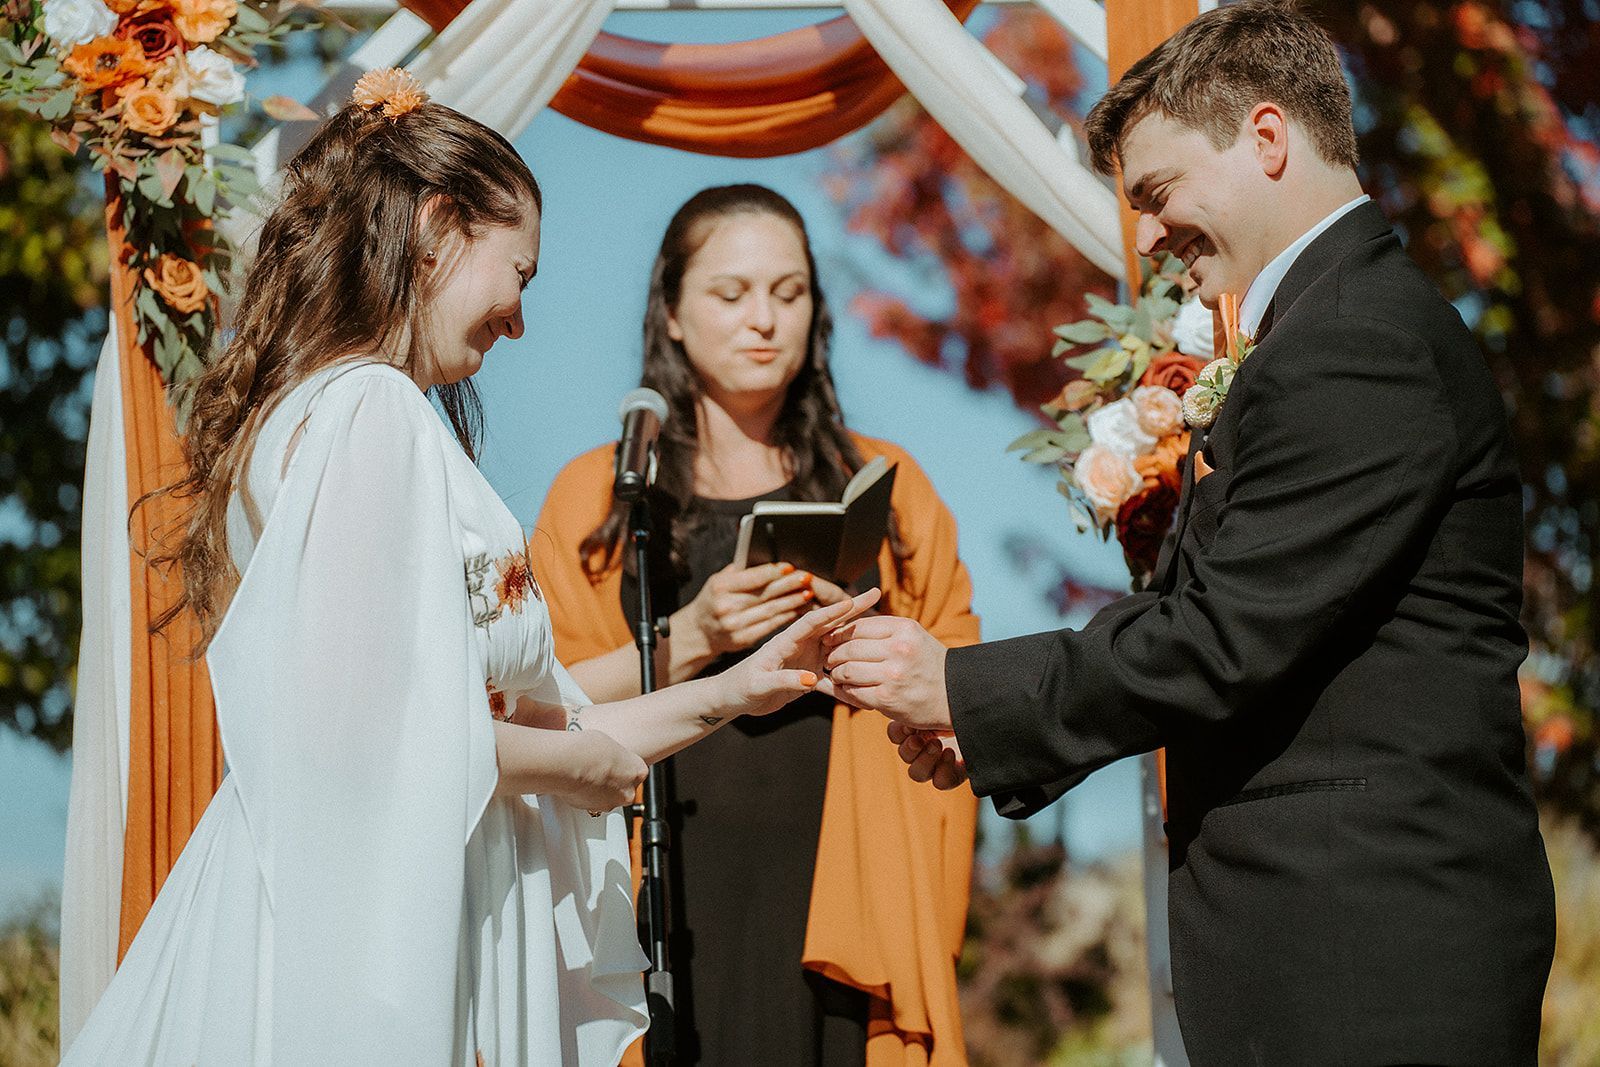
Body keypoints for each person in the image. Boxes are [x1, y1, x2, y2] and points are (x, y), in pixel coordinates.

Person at [61, 74, 875, 1066]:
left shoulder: (325, 413)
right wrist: (578, 768)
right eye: (518, 272)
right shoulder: (372, 412)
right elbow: (373, 737)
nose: (520, 318)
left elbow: (494, 726)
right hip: (360, 953)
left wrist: (746, 685)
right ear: (440, 223)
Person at [821, 3, 1556, 1063]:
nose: (1148, 234)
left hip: (1368, 953)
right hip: (1328, 948)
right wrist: (984, 726)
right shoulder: (1328, 329)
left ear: (1266, 139)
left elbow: (1225, 636)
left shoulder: (1356, 341)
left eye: (1157, 195)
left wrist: (961, 685)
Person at [532, 184, 978, 1066]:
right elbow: (544, 708)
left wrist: (881, 663)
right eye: (731, 294)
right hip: (662, 885)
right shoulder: (604, 498)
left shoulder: (888, 484)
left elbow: (963, 689)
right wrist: (692, 637)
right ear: (671, 312)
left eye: (789, 291)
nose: (764, 320)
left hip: (843, 890)